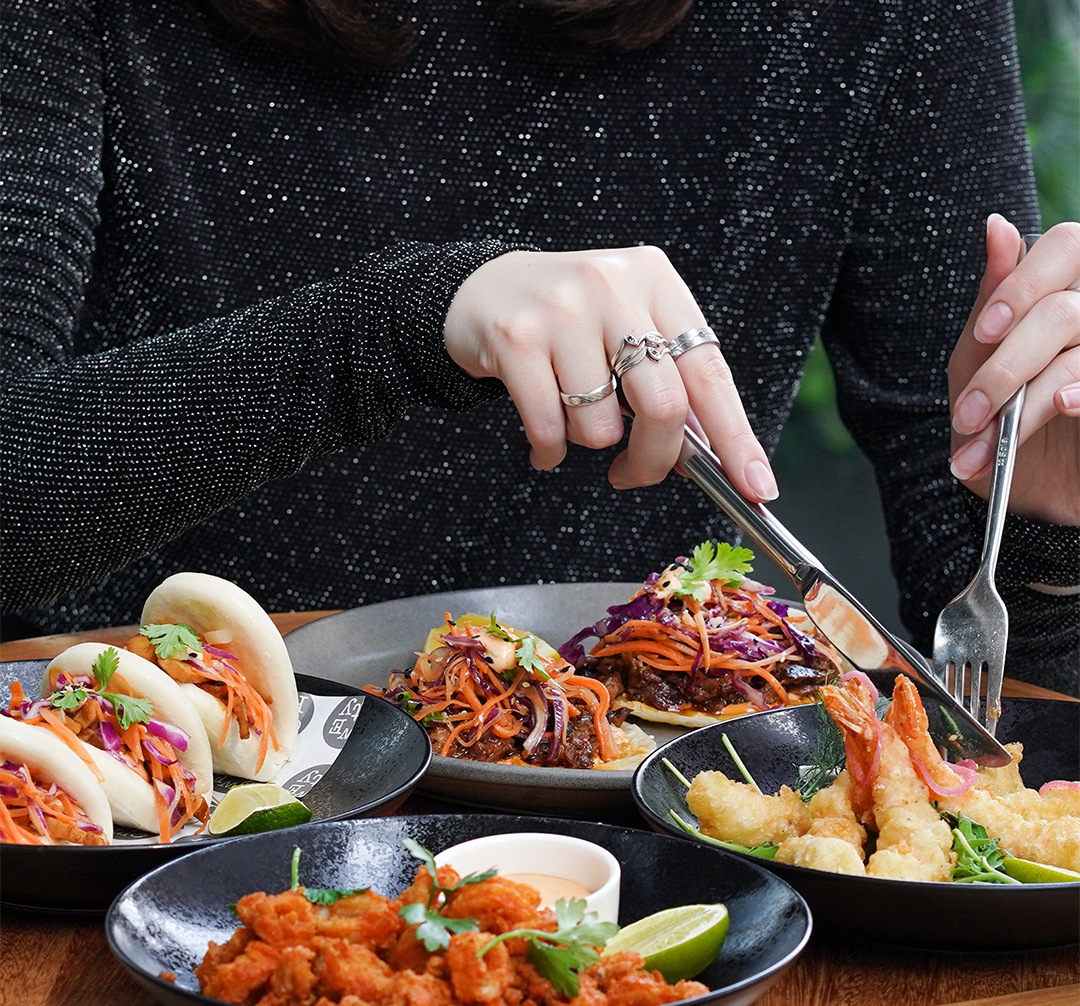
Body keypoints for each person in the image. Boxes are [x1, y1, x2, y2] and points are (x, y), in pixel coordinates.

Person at [2, 0, 1077, 695]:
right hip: (129, 823)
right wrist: (401, 327)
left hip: (682, 860)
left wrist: (1048, 534)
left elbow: (1003, 685)